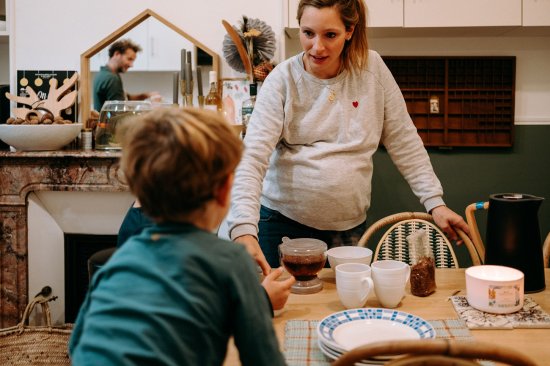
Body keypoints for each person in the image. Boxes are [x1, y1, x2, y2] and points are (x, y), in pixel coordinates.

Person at [226, 0, 471, 273]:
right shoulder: (282, 80)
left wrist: (435, 203)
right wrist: (243, 229)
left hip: (350, 228)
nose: (317, 47)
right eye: (308, 33)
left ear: (349, 31)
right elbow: (253, 157)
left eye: (330, 35)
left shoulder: (372, 69)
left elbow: (404, 140)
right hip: (282, 223)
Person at [69, 108, 291, 365]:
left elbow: (77, 346)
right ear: (223, 191)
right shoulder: (230, 261)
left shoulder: (115, 265)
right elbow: (264, 359)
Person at [93, 39, 160, 111]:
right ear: (117, 54)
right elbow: (119, 112)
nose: (131, 65)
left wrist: (146, 95)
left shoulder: (104, 73)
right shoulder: (111, 78)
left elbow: (125, 97)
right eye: (129, 59)